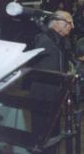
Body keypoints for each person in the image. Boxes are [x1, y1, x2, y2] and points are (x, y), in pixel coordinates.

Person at [29, 11, 74, 154]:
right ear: (56, 22)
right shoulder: (43, 39)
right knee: (43, 136)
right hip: (43, 94)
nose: (72, 26)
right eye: (68, 22)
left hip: (55, 93)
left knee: (53, 136)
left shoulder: (59, 40)